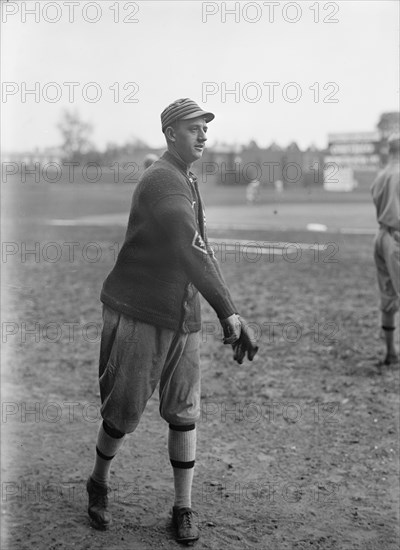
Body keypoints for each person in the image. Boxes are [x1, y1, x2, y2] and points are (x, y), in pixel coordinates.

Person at [86, 98, 258, 544]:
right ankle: (99, 482)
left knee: (184, 414)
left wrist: (230, 310)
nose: (203, 135)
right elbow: (188, 247)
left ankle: (182, 507)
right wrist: (228, 311)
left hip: (182, 314)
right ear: (169, 134)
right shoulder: (162, 179)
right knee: (121, 415)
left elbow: (203, 250)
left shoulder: (185, 176)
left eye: (205, 128)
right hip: (141, 310)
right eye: (193, 128)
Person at [371, 132, 400, 366]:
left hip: (381, 235)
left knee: (388, 297)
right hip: (398, 238)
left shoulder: (381, 175)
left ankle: (391, 352)